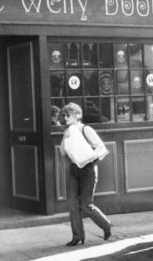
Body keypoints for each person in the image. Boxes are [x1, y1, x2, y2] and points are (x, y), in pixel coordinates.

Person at [59, 102, 112, 246]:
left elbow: (101, 148)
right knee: (72, 205)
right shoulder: (68, 131)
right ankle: (77, 236)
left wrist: (90, 159)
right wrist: (65, 137)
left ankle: (106, 225)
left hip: (88, 169)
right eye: (64, 115)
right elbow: (63, 152)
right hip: (74, 169)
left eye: (68, 115)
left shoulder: (85, 129)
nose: (65, 118)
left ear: (77, 115)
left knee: (86, 204)